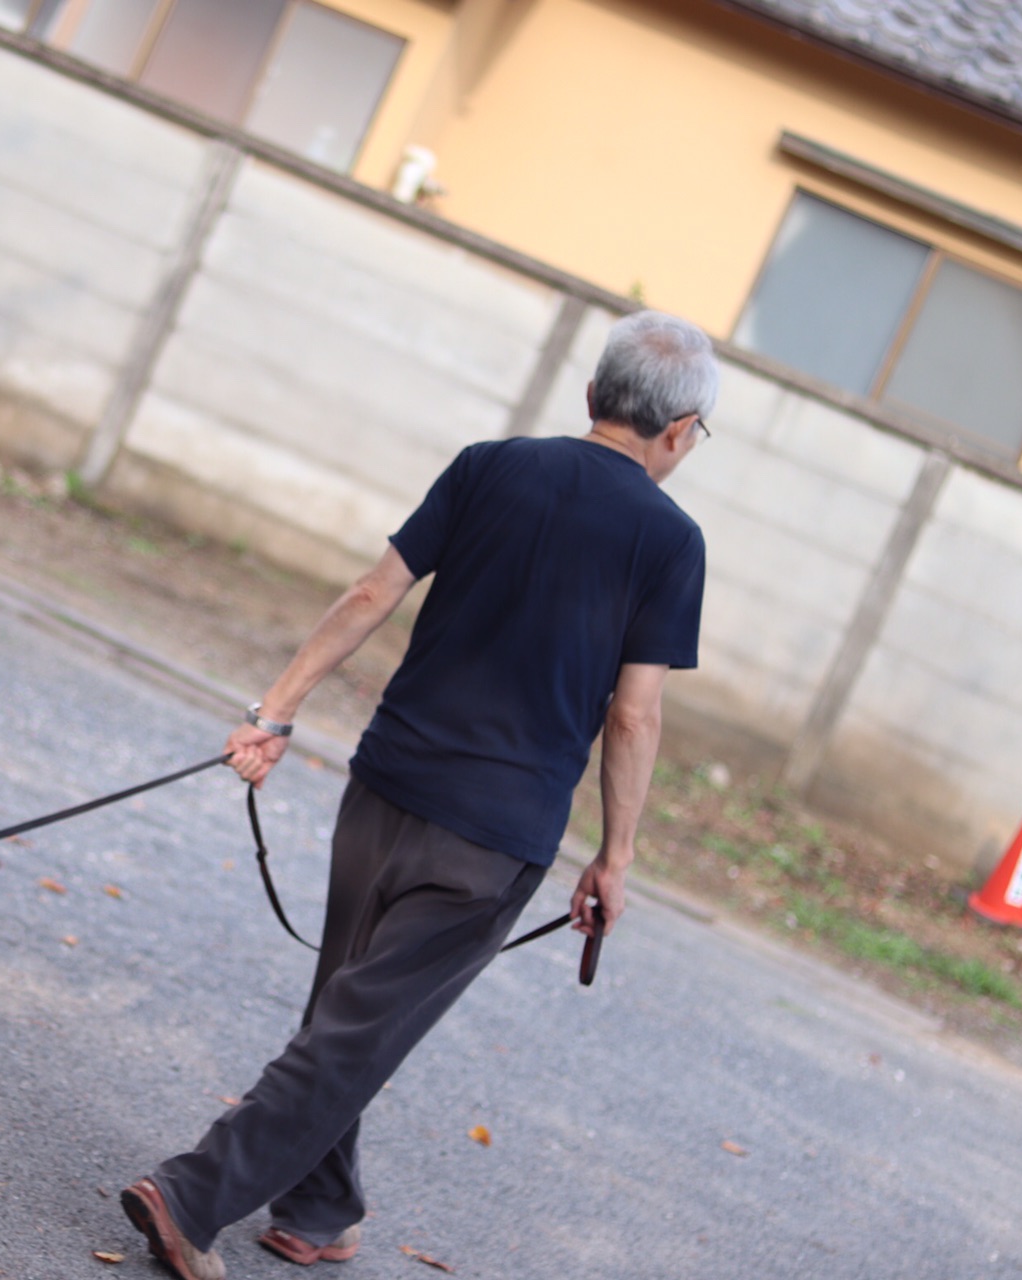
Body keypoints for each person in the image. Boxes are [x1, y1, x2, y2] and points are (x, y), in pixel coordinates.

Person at [120, 310, 716, 1279]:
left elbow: (371, 590)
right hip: (492, 835)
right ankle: (191, 1194)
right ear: (681, 428)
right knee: (359, 1027)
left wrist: (276, 708)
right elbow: (635, 716)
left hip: (386, 784)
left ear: (593, 395)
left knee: (348, 1011)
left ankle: (318, 1206)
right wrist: (615, 857)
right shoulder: (670, 539)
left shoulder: (489, 464)